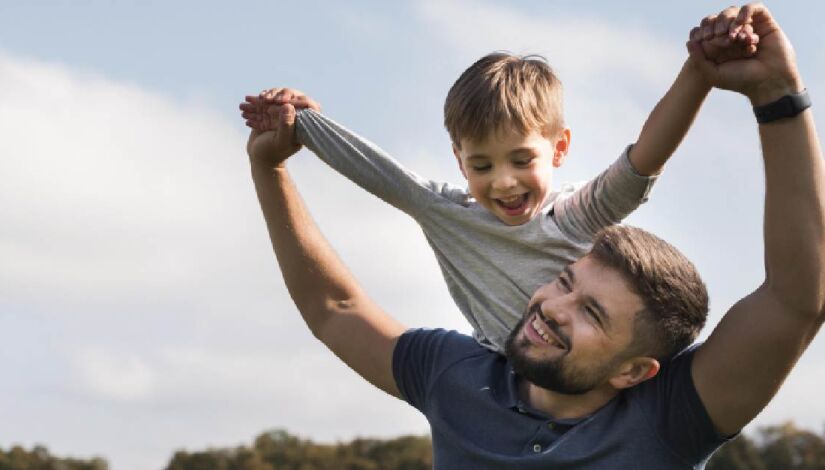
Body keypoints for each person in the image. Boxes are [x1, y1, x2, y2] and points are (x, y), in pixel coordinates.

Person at [245, 3, 824, 470]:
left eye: (593, 313)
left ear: (636, 370)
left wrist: (777, 97)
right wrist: (268, 167)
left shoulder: (673, 419)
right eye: (567, 281)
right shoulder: (456, 378)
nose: (553, 307)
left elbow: (799, 298)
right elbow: (334, 310)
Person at [240, 27, 756, 354]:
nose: (503, 181)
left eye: (521, 159)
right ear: (458, 159)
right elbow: (375, 169)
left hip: (605, 377)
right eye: (481, 164)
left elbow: (645, 157)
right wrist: (299, 122)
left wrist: (699, 73)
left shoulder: (576, 217)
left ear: (558, 149)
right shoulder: (446, 211)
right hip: (506, 378)